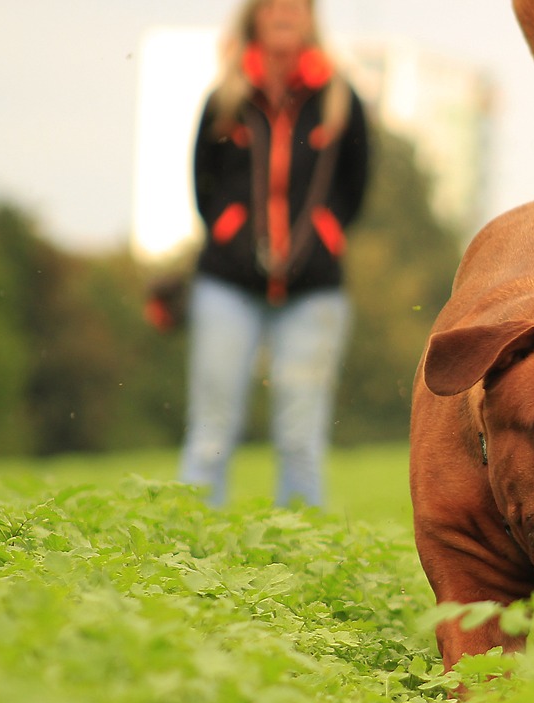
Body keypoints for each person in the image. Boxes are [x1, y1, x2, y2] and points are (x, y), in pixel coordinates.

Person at [179, 0, 370, 508]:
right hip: (226, 285)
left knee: (300, 438)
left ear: (310, 19)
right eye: (272, 6)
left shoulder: (340, 98)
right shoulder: (226, 98)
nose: (284, 12)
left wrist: (323, 235)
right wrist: (231, 232)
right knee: (211, 430)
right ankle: (182, 544)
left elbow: (356, 185)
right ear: (255, 19)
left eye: (296, 5)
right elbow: (204, 182)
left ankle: (301, 556)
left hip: (314, 291)